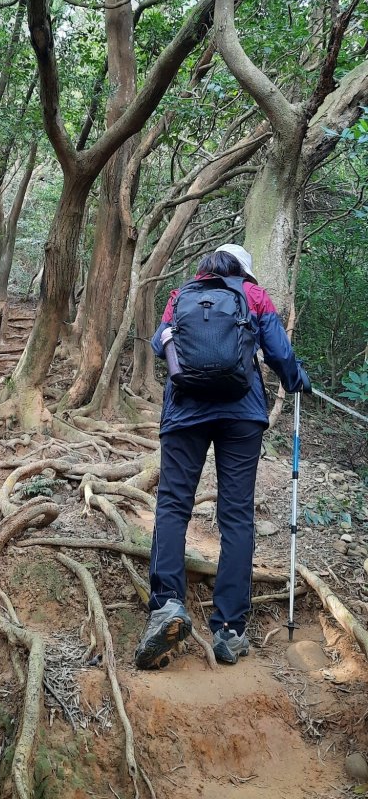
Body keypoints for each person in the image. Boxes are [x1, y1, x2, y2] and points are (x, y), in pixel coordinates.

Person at [134, 243, 311, 670]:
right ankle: (229, 629)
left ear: (205, 268)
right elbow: (278, 352)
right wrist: (296, 380)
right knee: (236, 515)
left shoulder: (181, 295)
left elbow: (161, 344)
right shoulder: (253, 295)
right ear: (244, 271)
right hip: (242, 413)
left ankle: (167, 606)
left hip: (184, 411)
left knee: (174, 505)